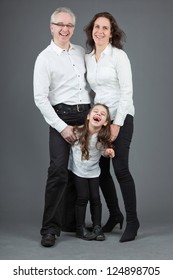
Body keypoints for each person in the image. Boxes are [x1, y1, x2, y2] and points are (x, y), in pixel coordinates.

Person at [33, 7, 91, 247]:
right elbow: (40, 97)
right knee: (58, 171)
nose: (64, 29)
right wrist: (62, 127)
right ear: (51, 27)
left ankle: (71, 222)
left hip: (86, 116)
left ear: (73, 29)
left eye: (69, 25)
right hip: (61, 117)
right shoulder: (44, 58)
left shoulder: (80, 52)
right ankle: (49, 229)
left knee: (81, 171)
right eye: (60, 25)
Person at [84, 12, 140, 242]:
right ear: (92, 30)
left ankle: (133, 221)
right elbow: (92, 91)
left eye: (105, 28)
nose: (100, 31)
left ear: (112, 32)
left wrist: (117, 124)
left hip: (121, 118)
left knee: (121, 170)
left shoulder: (119, 57)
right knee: (102, 172)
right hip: (100, 121)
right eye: (97, 27)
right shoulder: (87, 58)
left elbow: (127, 92)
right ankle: (115, 214)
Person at [68, 104, 115, 241]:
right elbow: (68, 146)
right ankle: (80, 228)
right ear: (88, 116)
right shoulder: (77, 132)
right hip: (79, 171)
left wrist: (108, 152)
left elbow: (102, 151)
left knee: (96, 199)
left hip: (94, 172)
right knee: (82, 198)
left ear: (105, 122)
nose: (98, 114)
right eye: (96, 111)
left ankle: (97, 227)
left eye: (102, 114)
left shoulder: (102, 137)